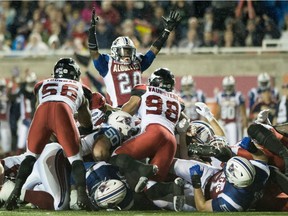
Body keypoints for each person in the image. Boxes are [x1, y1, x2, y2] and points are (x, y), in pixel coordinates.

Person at [4, 58, 93, 211]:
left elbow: (40, 106)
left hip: (41, 112)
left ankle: (15, 191)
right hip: (62, 111)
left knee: (30, 156)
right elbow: (87, 123)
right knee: (76, 159)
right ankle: (82, 197)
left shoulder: (42, 84)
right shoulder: (80, 87)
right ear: (75, 74)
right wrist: (82, 125)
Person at [88, 8, 182, 107]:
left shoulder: (138, 62)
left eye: (129, 51)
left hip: (139, 110)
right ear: (115, 51)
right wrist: (92, 32)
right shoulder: (107, 64)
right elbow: (93, 51)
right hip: (118, 111)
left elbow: (154, 50)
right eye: (123, 51)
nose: (127, 54)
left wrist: (166, 32)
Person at [109, 68, 185, 190]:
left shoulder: (144, 89)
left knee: (115, 156)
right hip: (171, 141)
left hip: (153, 132)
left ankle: (143, 169)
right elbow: (184, 121)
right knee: (152, 185)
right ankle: (173, 188)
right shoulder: (179, 101)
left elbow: (126, 112)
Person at [215, 75, 247, 145]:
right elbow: (218, 112)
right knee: (221, 143)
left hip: (234, 123)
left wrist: (245, 127)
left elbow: (243, 114)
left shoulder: (238, 96)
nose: (228, 88)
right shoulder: (220, 96)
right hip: (222, 122)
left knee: (233, 144)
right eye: (227, 86)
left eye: (230, 86)